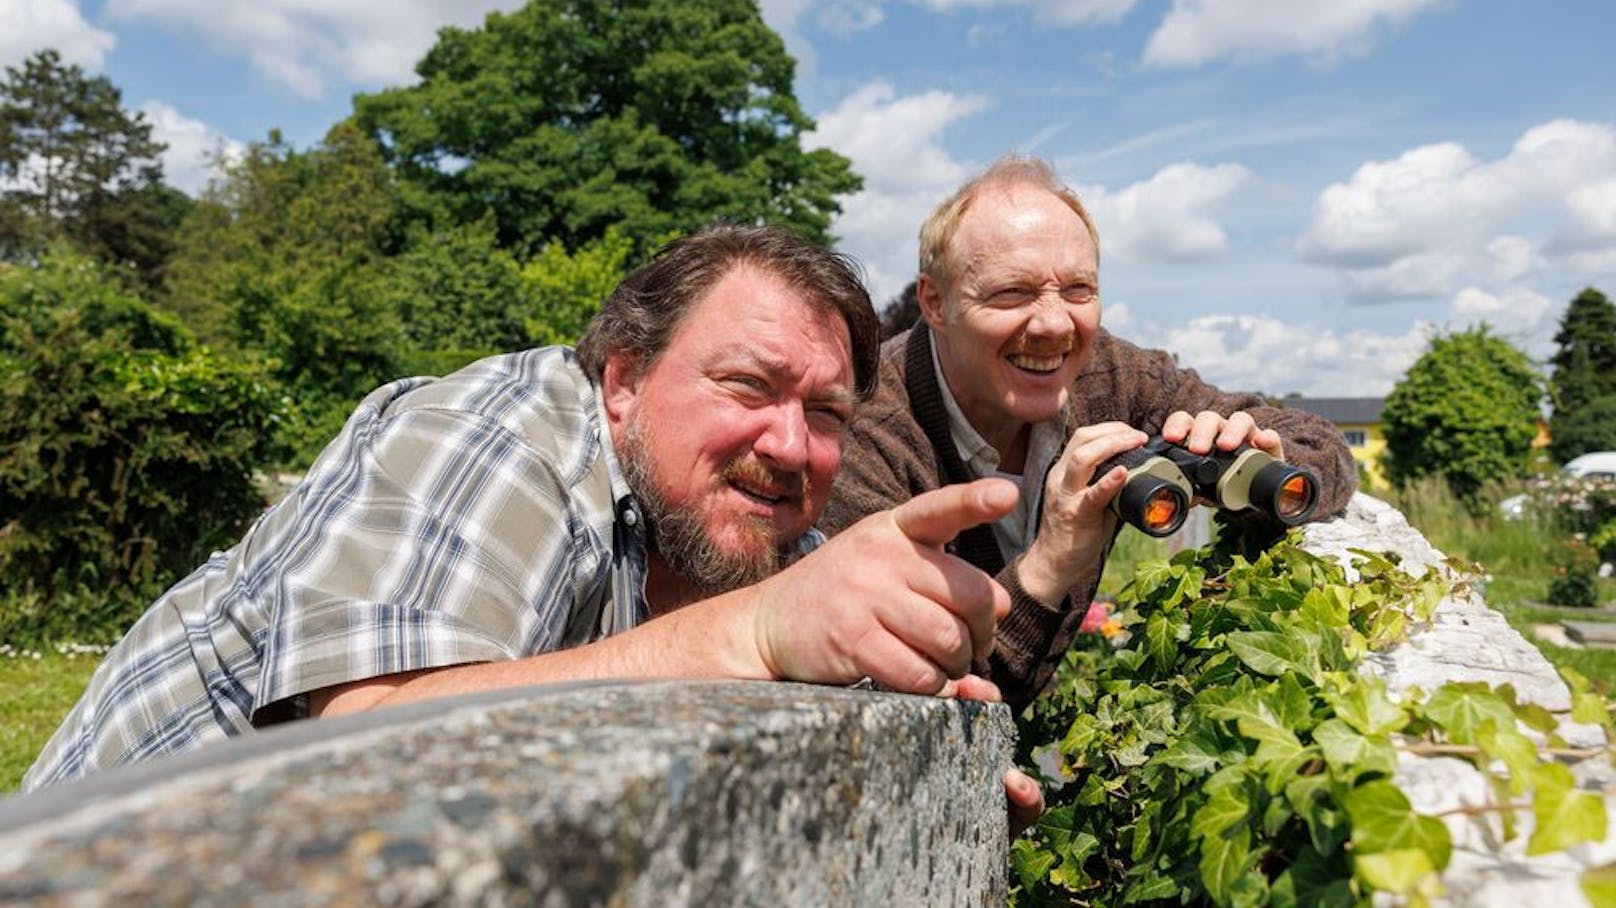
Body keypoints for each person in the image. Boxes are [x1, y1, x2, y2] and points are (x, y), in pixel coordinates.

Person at [24, 225, 1036, 828]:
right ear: (622, 380)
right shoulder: (494, 435)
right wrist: (753, 633)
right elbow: (361, 743)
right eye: (747, 384)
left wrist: (924, 756)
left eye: (825, 413)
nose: (790, 442)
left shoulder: (748, 527)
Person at [820, 155, 1357, 708]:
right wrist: (1051, 565)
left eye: (1078, 290)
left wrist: (1258, 463)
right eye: (1012, 293)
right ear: (935, 302)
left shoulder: (1112, 376)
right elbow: (910, 695)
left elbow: (1324, 447)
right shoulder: (863, 431)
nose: (1054, 324)